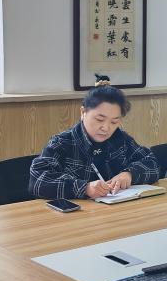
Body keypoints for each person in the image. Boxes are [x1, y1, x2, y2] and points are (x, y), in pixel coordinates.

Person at [30, 79, 159, 200]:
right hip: (79, 213)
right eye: (99, 119)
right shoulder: (62, 143)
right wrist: (85, 188)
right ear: (83, 112)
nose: (106, 128)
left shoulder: (121, 139)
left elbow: (152, 163)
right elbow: (37, 180)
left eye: (114, 122)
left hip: (116, 210)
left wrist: (129, 174)